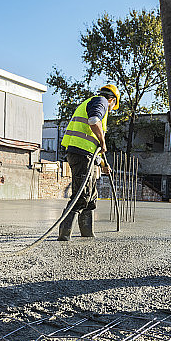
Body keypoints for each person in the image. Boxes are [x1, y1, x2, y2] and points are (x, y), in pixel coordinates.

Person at [58, 84, 119, 241]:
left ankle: (87, 233)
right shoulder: (101, 101)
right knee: (81, 195)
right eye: (113, 106)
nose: (111, 110)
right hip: (81, 154)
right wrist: (103, 141)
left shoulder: (92, 102)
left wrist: (103, 165)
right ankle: (64, 234)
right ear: (112, 100)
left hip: (84, 154)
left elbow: (93, 145)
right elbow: (93, 121)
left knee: (90, 196)